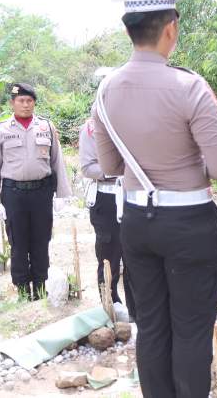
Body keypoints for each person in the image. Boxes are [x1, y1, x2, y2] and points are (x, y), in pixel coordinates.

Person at [93, 0, 217, 398]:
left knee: (152, 327)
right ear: (171, 28)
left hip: (137, 221)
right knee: (190, 331)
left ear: (128, 31)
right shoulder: (190, 87)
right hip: (189, 223)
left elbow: (109, 166)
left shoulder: (106, 90)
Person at [0, 83, 71, 301]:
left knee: (41, 240)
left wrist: (62, 194)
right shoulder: (1, 130)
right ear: (12, 103)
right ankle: (24, 290)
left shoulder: (46, 127)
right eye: (21, 101)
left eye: (29, 101)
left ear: (34, 103)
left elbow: (57, 161)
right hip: (13, 193)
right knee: (18, 243)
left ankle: (41, 287)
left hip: (41, 192)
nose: (25, 105)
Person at [79, 67, 135, 318]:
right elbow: (87, 167)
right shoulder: (91, 128)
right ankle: (109, 301)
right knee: (108, 252)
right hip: (106, 196)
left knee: (135, 252)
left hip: (133, 196)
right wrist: (116, 170)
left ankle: (136, 306)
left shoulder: (135, 121)